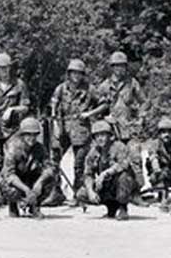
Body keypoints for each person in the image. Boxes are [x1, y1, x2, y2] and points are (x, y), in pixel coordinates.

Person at [91, 51, 147, 189]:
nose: (119, 69)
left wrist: (140, 117)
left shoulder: (132, 83)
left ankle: (137, 191)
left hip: (130, 128)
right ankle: (116, 190)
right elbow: (95, 109)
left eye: (122, 66)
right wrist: (104, 118)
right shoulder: (104, 86)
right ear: (112, 67)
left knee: (135, 158)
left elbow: (144, 102)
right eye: (116, 66)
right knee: (117, 160)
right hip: (112, 131)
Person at [50, 58, 101, 201]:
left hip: (81, 129)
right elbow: (54, 106)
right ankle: (55, 191)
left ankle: (80, 193)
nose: (76, 76)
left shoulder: (90, 89)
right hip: (62, 127)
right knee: (54, 161)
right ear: (69, 74)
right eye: (73, 73)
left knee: (79, 164)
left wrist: (90, 114)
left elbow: (103, 104)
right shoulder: (61, 88)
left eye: (79, 73)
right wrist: (55, 124)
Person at [75, 120, 138, 220]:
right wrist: (91, 191)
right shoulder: (93, 152)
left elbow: (124, 164)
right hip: (106, 185)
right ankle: (111, 207)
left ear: (110, 136)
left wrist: (105, 173)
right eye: (97, 136)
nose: (100, 138)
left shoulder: (119, 146)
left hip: (120, 183)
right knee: (81, 194)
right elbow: (88, 174)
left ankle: (123, 207)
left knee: (124, 177)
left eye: (103, 135)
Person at [0, 117, 56, 218]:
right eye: (28, 134)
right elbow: (9, 174)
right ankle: (13, 204)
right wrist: (26, 189)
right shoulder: (13, 148)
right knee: (7, 186)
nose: (32, 138)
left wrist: (40, 182)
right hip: (17, 181)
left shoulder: (40, 148)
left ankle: (35, 206)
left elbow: (49, 168)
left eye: (34, 134)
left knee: (50, 180)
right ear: (22, 135)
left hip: (31, 179)